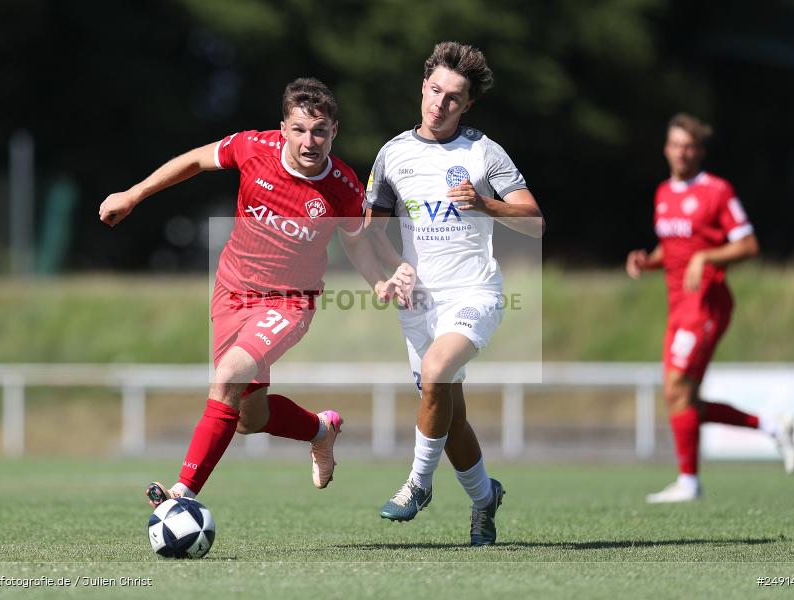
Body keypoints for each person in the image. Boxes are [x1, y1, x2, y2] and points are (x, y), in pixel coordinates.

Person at [99, 78, 409, 508]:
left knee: (227, 377)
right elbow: (193, 160)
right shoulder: (251, 148)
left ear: (333, 132)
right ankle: (321, 430)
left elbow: (356, 240)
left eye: (319, 131)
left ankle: (180, 495)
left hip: (288, 302)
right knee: (249, 418)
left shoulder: (343, 186)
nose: (309, 141)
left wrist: (378, 280)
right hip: (231, 291)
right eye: (299, 129)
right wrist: (133, 195)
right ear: (283, 128)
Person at [364, 42, 545, 545]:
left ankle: (416, 486)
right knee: (449, 418)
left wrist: (486, 204)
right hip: (419, 304)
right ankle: (486, 499)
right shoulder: (393, 152)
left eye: (454, 98)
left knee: (438, 375)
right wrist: (390, 272)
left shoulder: (484, 151)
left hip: (474, 294)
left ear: (467, 106)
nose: (440, 104)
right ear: (423, 87)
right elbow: (370, 233)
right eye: (436, 91)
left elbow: (535, 222)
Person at [626, 113, 794, 503]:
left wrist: (707, 259)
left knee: (676, 390)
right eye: (675, 145)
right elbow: (670, 250)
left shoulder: (717, 191)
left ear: (699, 151)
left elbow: (748, 245)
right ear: (666, 149)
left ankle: (689, 482)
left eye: (689, 146)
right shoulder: (663, 194)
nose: (681, 152)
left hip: (707, 305)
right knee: (682, 398)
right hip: (678, 306)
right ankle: (772, 426)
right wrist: (647, 262)